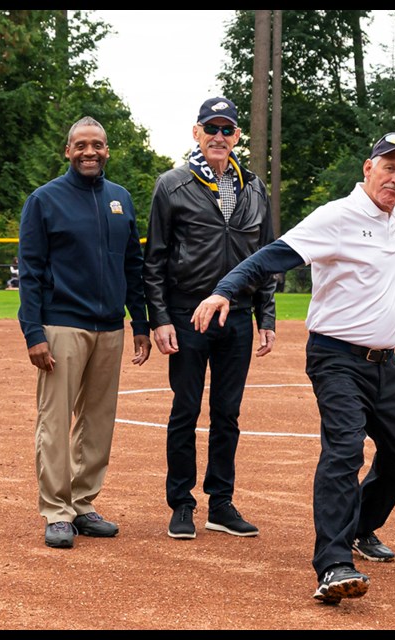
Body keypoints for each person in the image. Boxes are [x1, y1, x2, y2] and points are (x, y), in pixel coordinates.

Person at [190, 131, 395, 604]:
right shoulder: (336, 217)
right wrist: (224, 289)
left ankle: (361, 527)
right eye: (390, 168)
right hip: (336, 357)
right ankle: (333, 562)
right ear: (368, 168)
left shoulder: (392, 221)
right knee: (344, 450)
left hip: (385, 364)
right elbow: (270, 257)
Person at [142, 96, 277, 542]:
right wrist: (159, 317)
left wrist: (266, 316)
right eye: (211, 129)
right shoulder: (172, 184)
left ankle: (221, 503)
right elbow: (155, 259)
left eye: (227, 130)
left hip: (236, 316)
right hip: (186, 315)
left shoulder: (255, 187)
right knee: (185, 409)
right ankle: (181, 503)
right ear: (196, 133)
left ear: (237, 137)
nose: (219, 137)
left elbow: (266, 258)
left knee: (228, 413)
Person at [18, 115, 152, 549]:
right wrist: (33, 333)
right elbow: (32, 272)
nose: (89, 151)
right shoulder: (44, 200)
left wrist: (141, 323)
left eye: (97, 144)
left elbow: (133, 265)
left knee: (97, 422)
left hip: (110, 327)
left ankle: (83, 503)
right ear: (68, 151)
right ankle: (56, 512)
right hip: (61, 325)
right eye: (81, 145)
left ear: (107, 150)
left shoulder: (121, 199)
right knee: (56, 422)